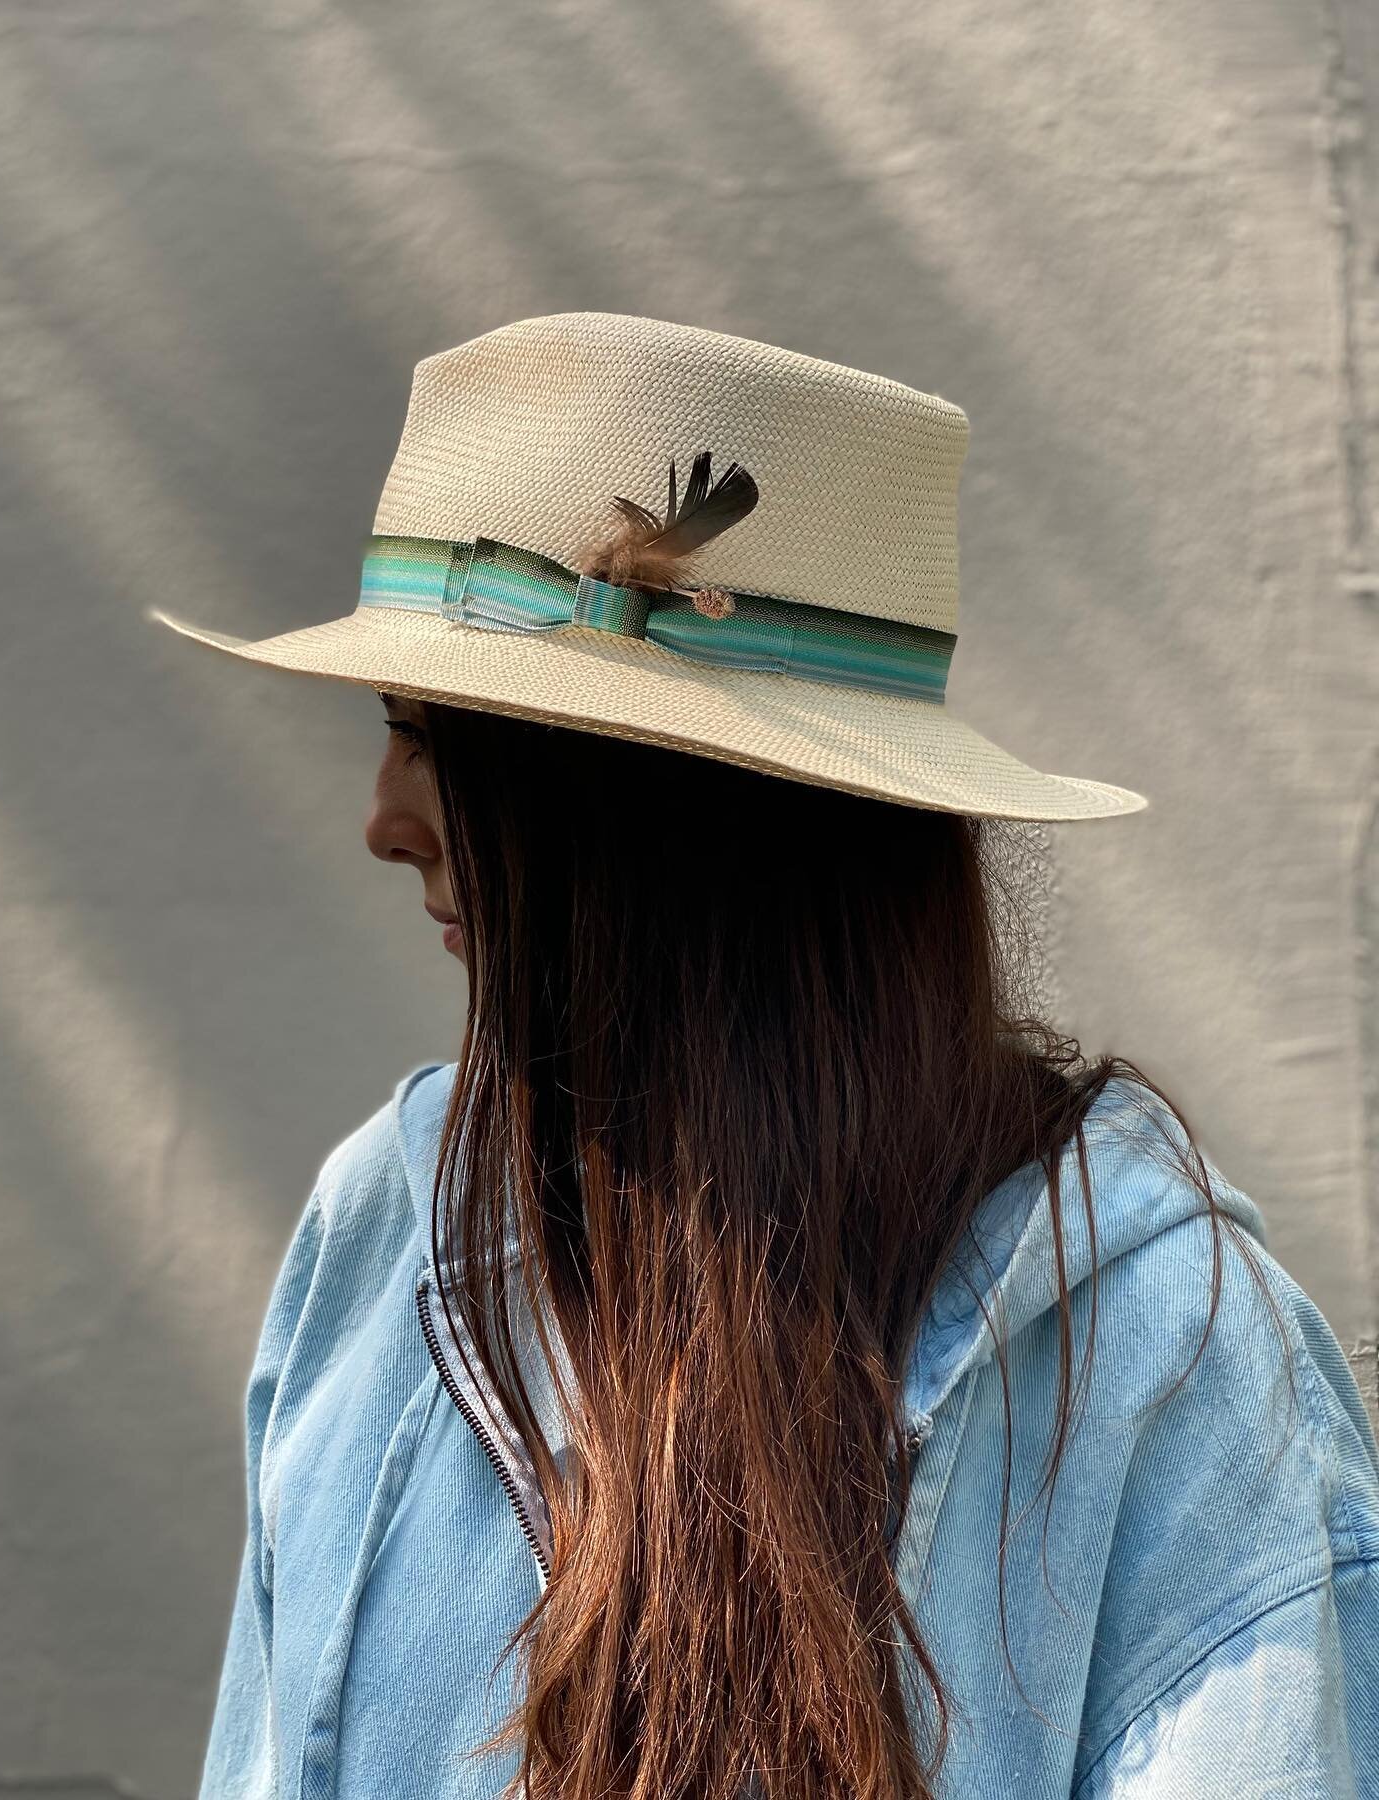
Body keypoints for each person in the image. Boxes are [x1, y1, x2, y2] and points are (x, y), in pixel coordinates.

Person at [152, 313, 1378, 1799]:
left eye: (433, 739)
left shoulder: (1163, 1356)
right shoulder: (389, 1223)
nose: (382, 820)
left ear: (667, 818)